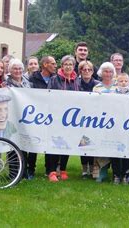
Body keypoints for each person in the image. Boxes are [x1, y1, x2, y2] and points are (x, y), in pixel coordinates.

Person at [47, 55, 80, 183]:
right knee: (55, 143)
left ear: (73, 66)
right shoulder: (55, 79)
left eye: (70, 64)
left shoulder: (77, 80)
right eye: (66, 64)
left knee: (67, 143)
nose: (68, 66)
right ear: (62, 66)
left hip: (71, 119)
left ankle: (63, 170)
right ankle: (52, 171)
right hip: (56, 117)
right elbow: (48, 95)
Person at [28, 56, 57, 178]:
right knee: (34, 141)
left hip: (51, 114)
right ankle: (30, 170)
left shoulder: (55, 79)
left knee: (50, 142)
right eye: (53, 63)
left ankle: (50, 170)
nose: (55, 66)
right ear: (45, 64)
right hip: (37, 115)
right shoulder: (33, 78)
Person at [92, 62, 117, 182]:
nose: (108, 74)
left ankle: (116, 173)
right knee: (102, 146)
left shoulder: (118, 87)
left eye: (110, 71)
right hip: (101, 121)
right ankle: (102, 172)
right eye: (106, 71)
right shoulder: (96, 87)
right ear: (101, 73)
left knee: (115, 146)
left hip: (116, 121)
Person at [111, 73, 129, 184]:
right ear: (117, 82)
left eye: (126, 81)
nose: (123, 83)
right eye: (121, 81)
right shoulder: (112, 93)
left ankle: (125, 174)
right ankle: (116, 174)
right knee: (115, 151)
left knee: (127, 152)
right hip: (115, 127)